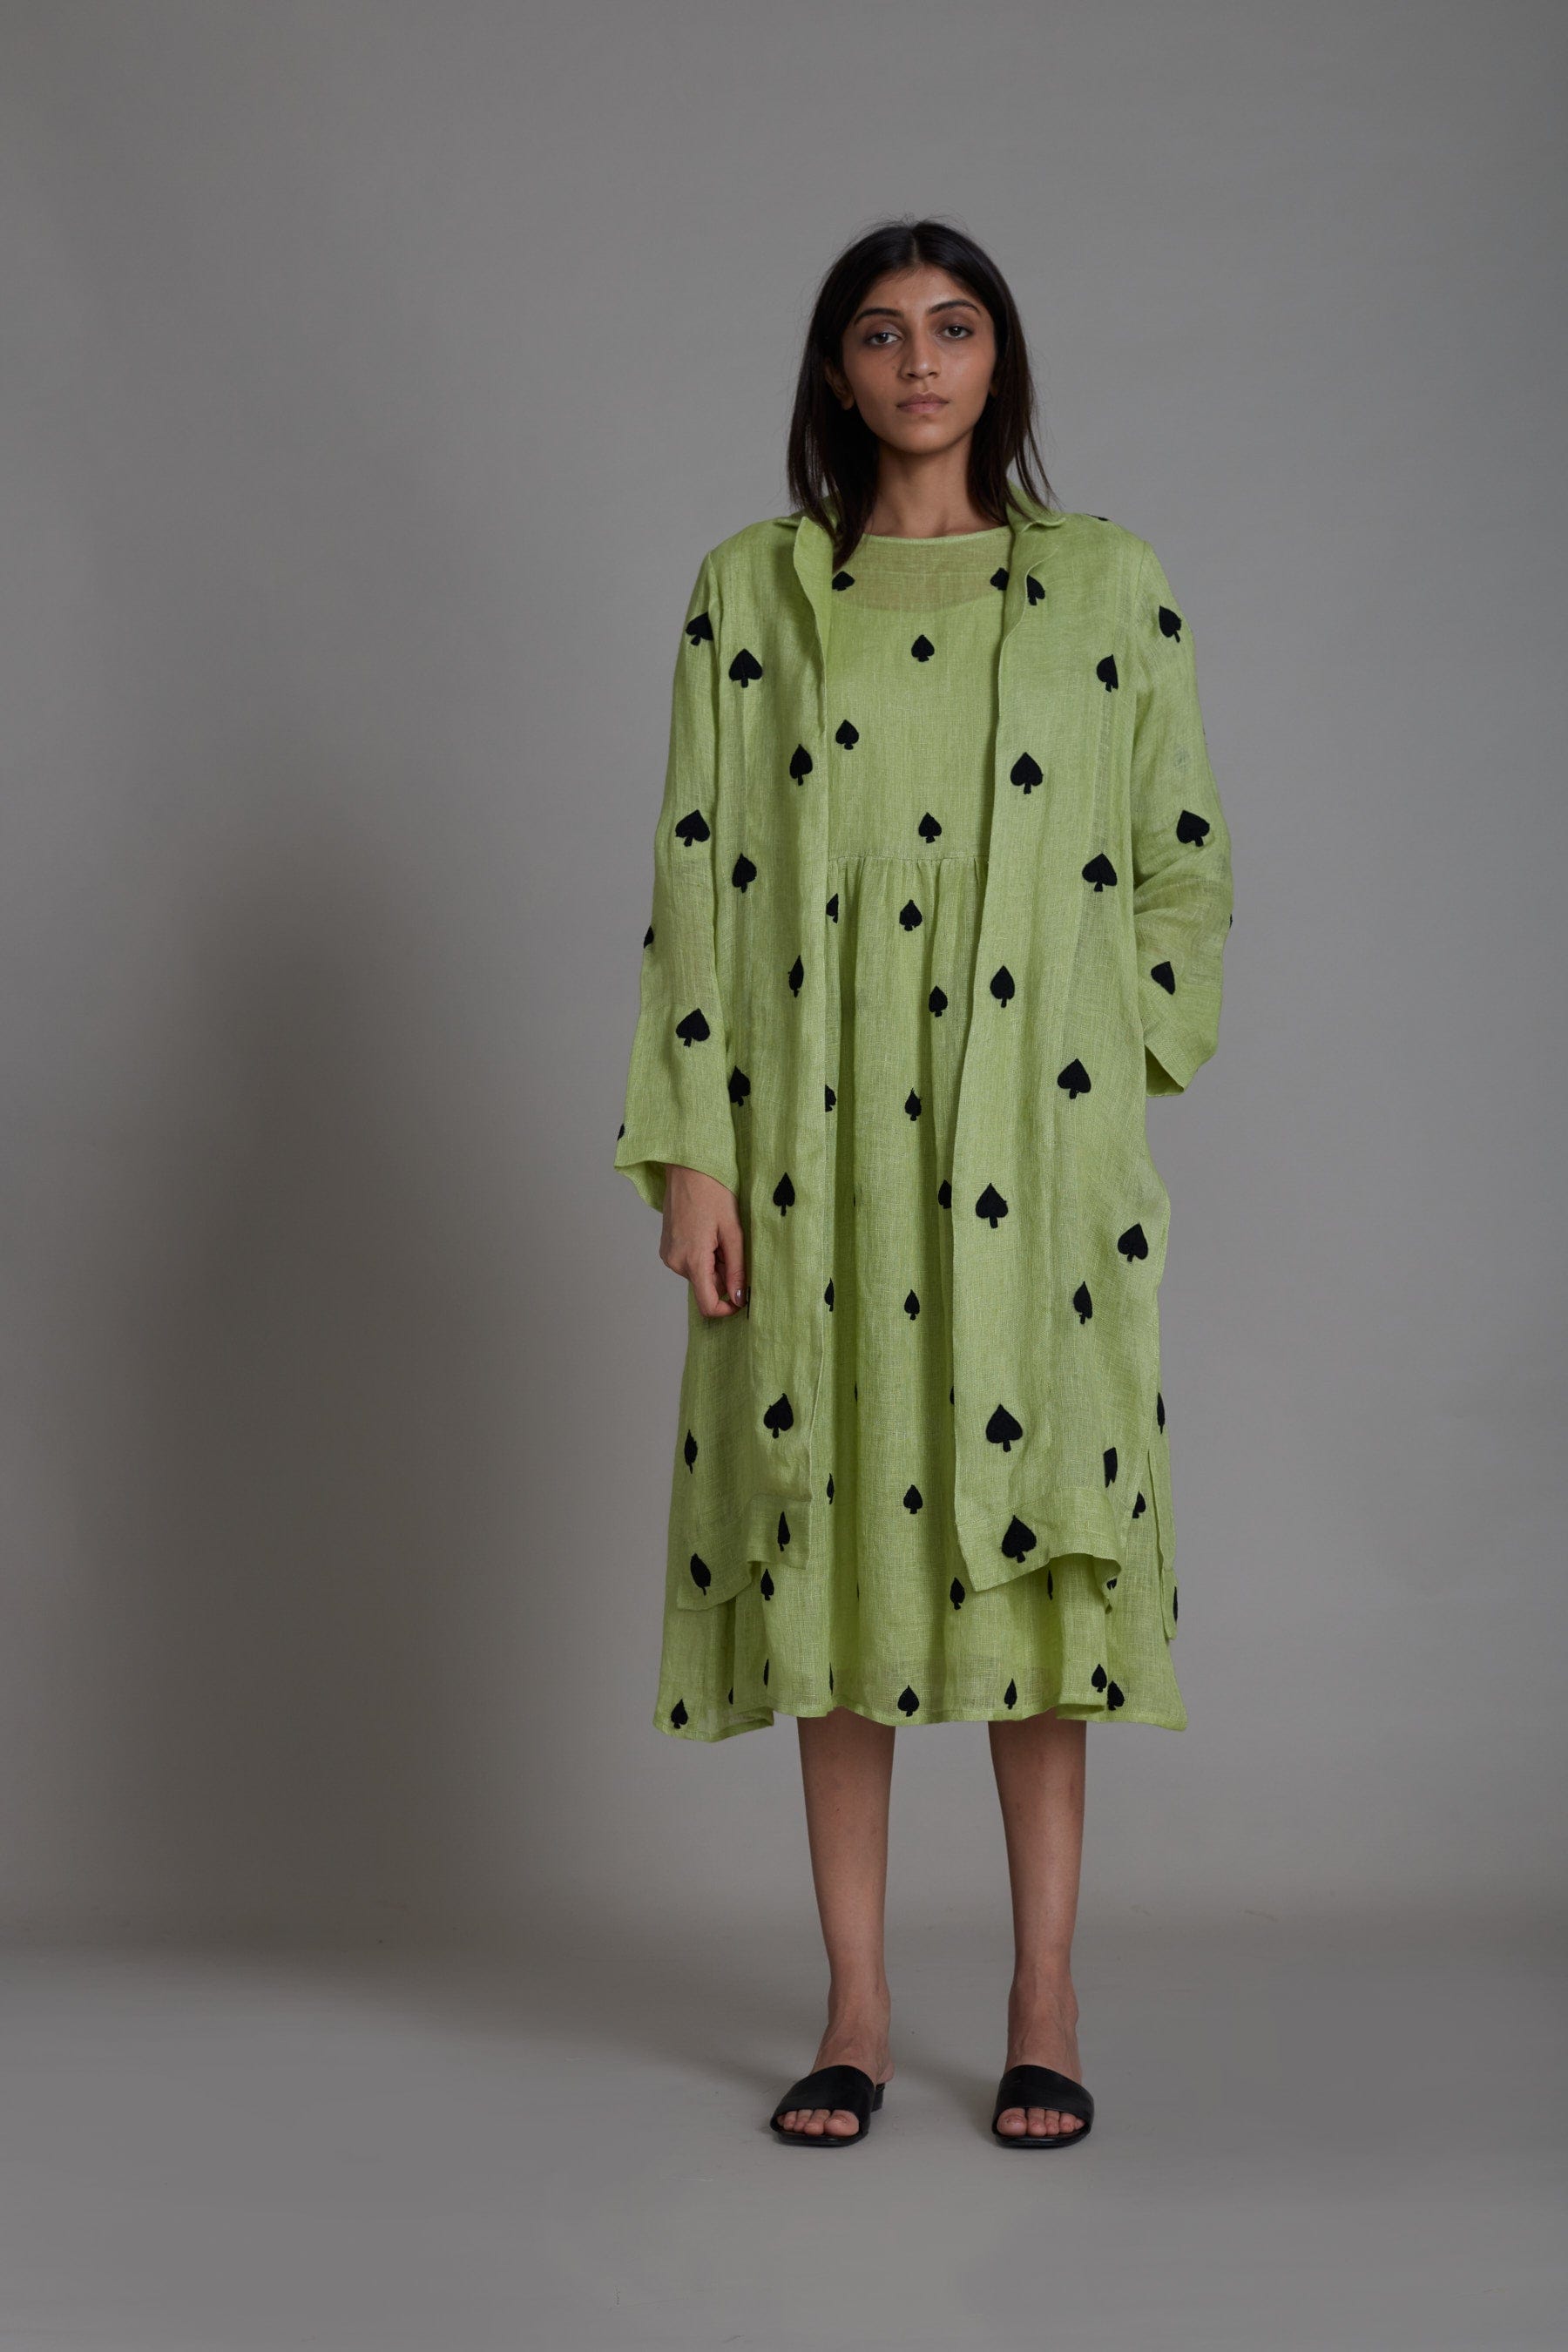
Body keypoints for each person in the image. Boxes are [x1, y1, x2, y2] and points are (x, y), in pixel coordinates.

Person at [612, 217, 1234, 2149]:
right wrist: (694, 1150)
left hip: (1032, 1161)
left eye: (954, 327)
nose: (919, 361)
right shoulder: (753, 591)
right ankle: (859, 2002)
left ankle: (1046, 1994)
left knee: (1037, 1557)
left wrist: (1097, 1065)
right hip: (816, 1149)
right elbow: (696, 882)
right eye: (881, 333)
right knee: (830, 1545)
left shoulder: (1106, 583)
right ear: (837, 370)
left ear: (999, 360)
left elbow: (1183, 863)